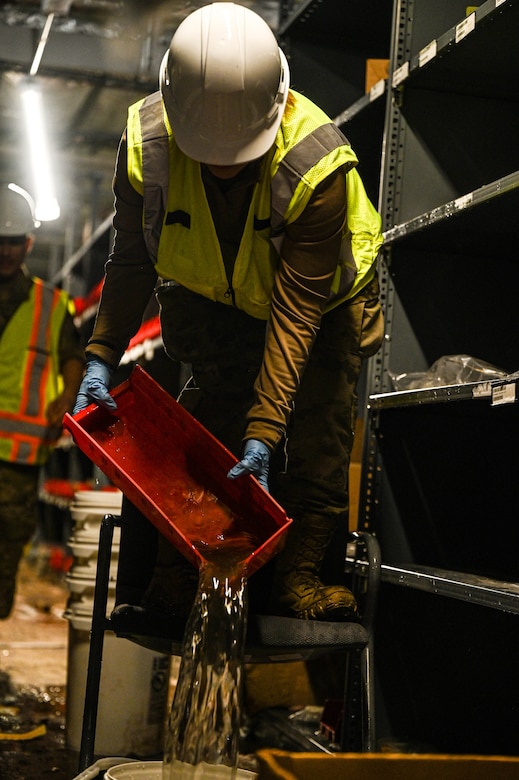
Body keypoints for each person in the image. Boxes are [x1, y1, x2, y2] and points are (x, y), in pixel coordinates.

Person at [74, 2, 384, 623]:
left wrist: (267, 430)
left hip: (321, 307)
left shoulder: (315, 164)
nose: (222, 161)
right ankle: (177, 583)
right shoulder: (147, 145)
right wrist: (102, 353)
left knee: (319, 431)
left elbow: (297, 314)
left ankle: (297, 580)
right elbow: (132, 258)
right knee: (208, 424)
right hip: (212, 297)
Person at [0, 183, 85, 618]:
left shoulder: (51, 306)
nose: (7, 251)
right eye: (1, 241)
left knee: (5, 553)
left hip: (17, 463)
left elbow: (73, 356)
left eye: (14, 241)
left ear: (28, 243)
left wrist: (68, 395)